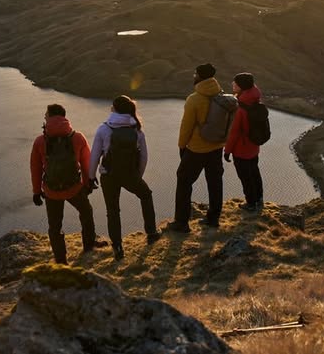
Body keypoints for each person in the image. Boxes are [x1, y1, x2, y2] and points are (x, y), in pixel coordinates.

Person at [88, 95, 161, 260]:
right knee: (146, 195)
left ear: (114, 108)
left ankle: (118, 248)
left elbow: (94, 156)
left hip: (109, 176)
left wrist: (90, 177)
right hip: (130, 175)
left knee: (112, 211)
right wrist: (137, 176)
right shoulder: (137, 129)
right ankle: (151, 233)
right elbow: (144, 157)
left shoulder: (104, 128)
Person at [29, 103, 100, 264]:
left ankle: (61, 260)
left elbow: (35, 168)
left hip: (51, 191)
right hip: (74, 188)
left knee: (55, 226)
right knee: (86, 212)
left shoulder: (40, 141)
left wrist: (36, 191)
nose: (45, 117)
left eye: (46, 115)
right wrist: (88, 183)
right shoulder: (77, 137)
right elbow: (86, 162)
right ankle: (89, 245)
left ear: (50, 117)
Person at [168, 62, 227, 232]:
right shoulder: (221, 96)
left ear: (200, 76)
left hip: (196, 149)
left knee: (184, 181)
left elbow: (186, 126)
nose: (193, 76)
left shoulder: (194, 99)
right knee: (215, 181)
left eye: (195, 74)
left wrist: (181, 146)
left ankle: (181, 222)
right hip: (216, 147)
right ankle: (213, 218)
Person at [225, 72, 264, 212]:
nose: (232, 84)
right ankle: (259, 199)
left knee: (245, 177)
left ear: (241, 86)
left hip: (241, 149)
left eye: (235, 83)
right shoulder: (255, 101)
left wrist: (227, 151)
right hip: (254, 146)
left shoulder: (241, 107)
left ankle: (251, 203)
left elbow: (234, 132)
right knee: (254, 172)